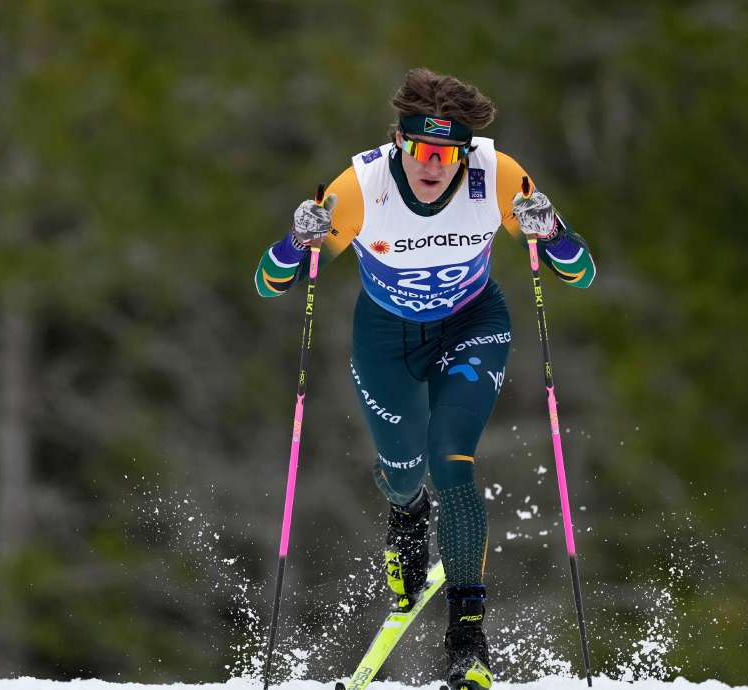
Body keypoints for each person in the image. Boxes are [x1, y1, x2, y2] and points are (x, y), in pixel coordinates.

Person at [253, 67, 595, 690]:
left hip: (472, 324)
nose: (432, 166)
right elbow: (270, 281)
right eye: (420, 152)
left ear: (466, 155)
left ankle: (467, 641)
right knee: (404, 469)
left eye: (447, 155)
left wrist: (552, 232)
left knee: (451, 458)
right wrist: (293, 241)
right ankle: (406, 516)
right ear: (399, 145)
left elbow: (580, 274)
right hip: (386, 338)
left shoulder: (499, 177)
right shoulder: (360, 187)